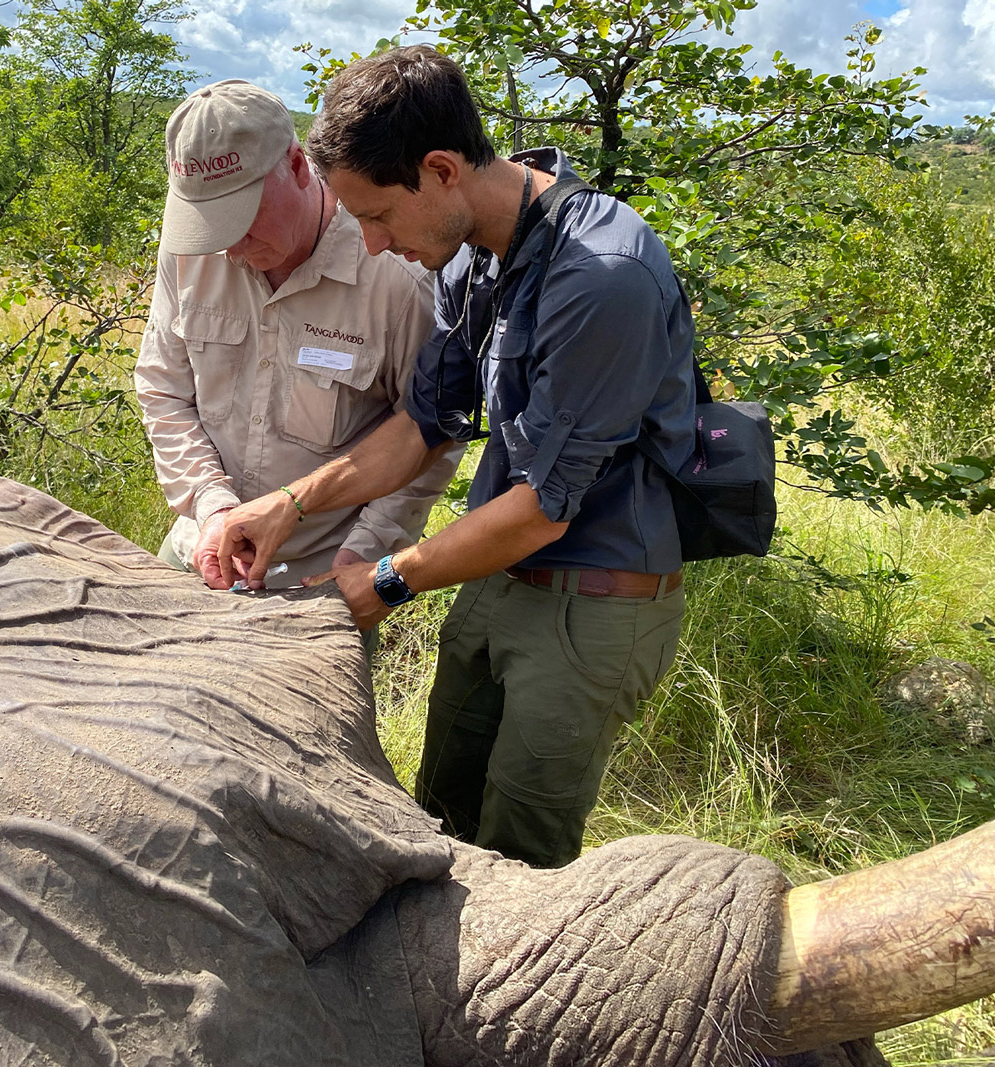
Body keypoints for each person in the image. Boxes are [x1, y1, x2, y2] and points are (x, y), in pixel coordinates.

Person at [216, 47, 698, 869]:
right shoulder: (471, 253)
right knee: (437, 823)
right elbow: (422, 426)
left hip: (594, 603)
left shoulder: (602, 275)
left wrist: (388, 580)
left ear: (440, 170)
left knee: (518, 855)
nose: (369, 246)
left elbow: (547, 507)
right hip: (493, 574)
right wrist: (286, 506)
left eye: (377, 217)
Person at [135, 79, 459, 593]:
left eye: (241, 217)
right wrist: (210, 504)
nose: (230, 247)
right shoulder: (190, 253)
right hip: (199, 549)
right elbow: (163, 390)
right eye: (209, 224)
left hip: (323, 576)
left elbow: (426, 436)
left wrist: (362, 555)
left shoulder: (398, 275)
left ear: (296, 164)